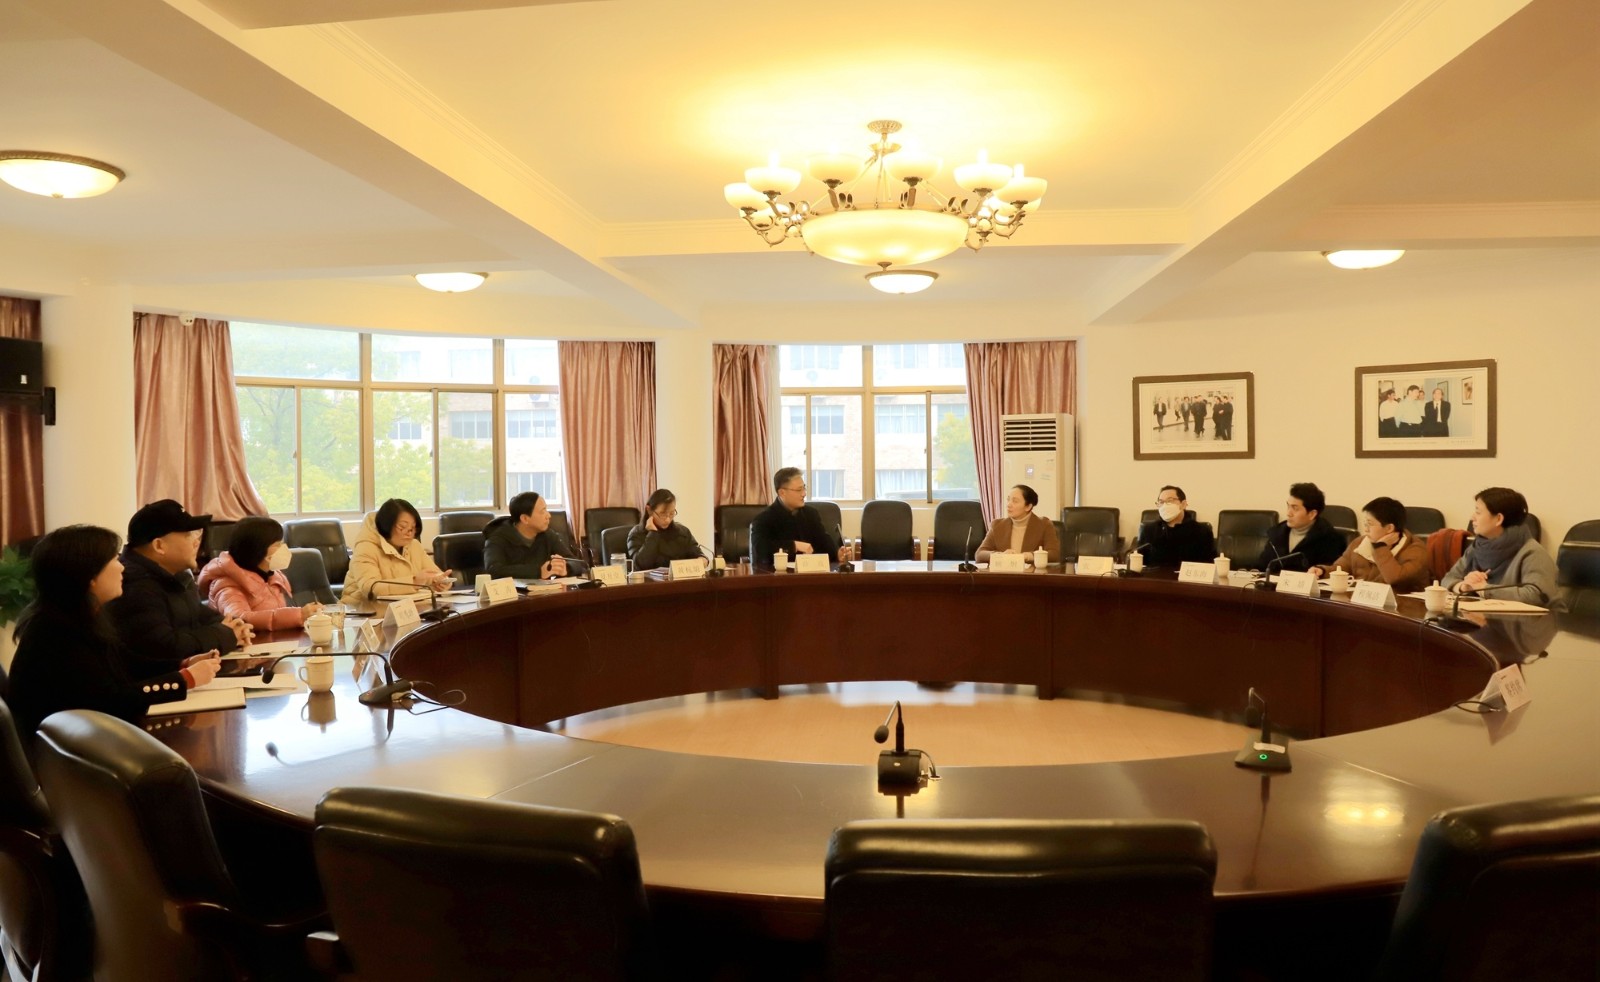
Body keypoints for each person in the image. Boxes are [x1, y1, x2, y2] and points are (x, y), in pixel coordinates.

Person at [7, 525, 222, 738]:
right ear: (89, 576)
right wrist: (183, 680)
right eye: (114, 560)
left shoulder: (78, 615)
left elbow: (124, 662)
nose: (122, 568)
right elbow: (111, 701)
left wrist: (183, 665)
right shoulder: (55, 633)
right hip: (66, 750)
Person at [106, 499, 250, 668]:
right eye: (188, 535)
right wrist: (226, 635)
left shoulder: (177, 575)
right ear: (159, 546)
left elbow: (202, 615)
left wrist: (237, 627)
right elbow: (164, 647)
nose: (196, 542)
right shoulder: (134, 585)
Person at [197, 516, 322, 632]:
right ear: (257, 549)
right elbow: (239, 619)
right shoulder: (226, 584)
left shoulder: (271, 576)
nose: (284, 549)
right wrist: (297, 615)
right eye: (277, 545)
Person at [1442, 487, 1560, 608]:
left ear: (1498, 519)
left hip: (1529, 620)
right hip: (1483, 616)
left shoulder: (1533, 553)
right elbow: (1448, 579)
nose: (1472, 517)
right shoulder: (1477, 547)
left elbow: (1538, 595)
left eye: (1478, 512)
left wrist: (1484, 589)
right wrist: (1464, 586)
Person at [342, 498, 453, 604]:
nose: (409, 533)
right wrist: (414, 582)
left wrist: (441, 581)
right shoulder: (366, 547)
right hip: (361, 609)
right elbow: (371, 588)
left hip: (401, 608)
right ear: (386, 525)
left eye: (413, 528)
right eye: (402, 527)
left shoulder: (414, 545)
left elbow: (433, 573)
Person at [1311, 496, 1429, 593]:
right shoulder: (1360, 542)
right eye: (1365, 524)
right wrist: (1322, 571)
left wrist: (1380, 547)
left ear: (1389, 528)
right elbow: (1340, 568)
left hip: (1404, 609)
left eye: (1370, 524)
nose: (1366, 529)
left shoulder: (1415, 550)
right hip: (1363, 604)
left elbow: (1394, 578)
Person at [750, 468, 841, 571]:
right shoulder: (763, 519)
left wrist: (837, 553)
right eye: (799, 490)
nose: (804, 493)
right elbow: (761, 548)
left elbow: (824, 543)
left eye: (804, 488)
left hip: (812, 573)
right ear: (782, 493)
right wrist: (793, 546)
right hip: (778, 575)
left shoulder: (811, 514)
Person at [483, 491, 583, 580]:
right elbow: (494, 570)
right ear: (525, 519)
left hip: (543, 592)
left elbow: (578, 563)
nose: (548, 515)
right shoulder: (497, 538)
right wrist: (539, 571)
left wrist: (565, 568)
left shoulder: (547, 535)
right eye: (542, 511)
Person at [1255, 482, 1346, 572]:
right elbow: (1262, 567)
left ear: (1312, 514)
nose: (1288, 513)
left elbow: (1329, 573)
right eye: (1288, 506)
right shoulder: (1277, 534)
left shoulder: (1330, 539)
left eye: (1295, 508)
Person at [975, 485, 1060, 565]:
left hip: (1032, 574)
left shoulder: (1044, 524)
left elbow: (1054, 554)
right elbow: (979, 555)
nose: (1009, 504)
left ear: (1028, 507)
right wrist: (1000, 555)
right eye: (1008, 500)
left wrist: (1028, 556)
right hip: (1004, 573)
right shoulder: (997, 525)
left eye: (1015, 501)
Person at [1137, 486, 1217, 567]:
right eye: (1161, 502)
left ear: (1183, 504)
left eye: (1170, 501)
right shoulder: (1149, 530)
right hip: (1157, 575)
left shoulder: (1202, 531)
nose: (1164, 505)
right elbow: (1139, 562)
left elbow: (1210, 564)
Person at [627, 489, 703, 571]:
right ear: (649, 510)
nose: (667, 520)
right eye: (663, 514)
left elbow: (699, 555)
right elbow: (640, 565)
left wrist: (703, 560)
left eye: (671, 514)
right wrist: (653, 533)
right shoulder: (636, 533)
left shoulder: (682, 532)